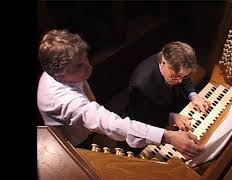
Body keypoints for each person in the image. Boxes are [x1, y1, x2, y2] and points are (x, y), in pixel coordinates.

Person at [37, 29, 203, 159]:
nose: (88, 66)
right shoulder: (65, 100)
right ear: (59, 75)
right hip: (75, 141)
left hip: (89, 126)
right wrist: (167, 136)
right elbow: (111, 124)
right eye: (79, 66)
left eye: (85, 58)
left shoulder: (68, 71)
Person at [128, 41, 210, 131]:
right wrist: (172, 117)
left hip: (173, 101)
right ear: (163, 63)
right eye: (175, 76)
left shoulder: (177, 68)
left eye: (184, 76)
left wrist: (194, 96)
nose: (180, 81)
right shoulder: (141, 85)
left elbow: (184, 79)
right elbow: (144, 115)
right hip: (152, 119)